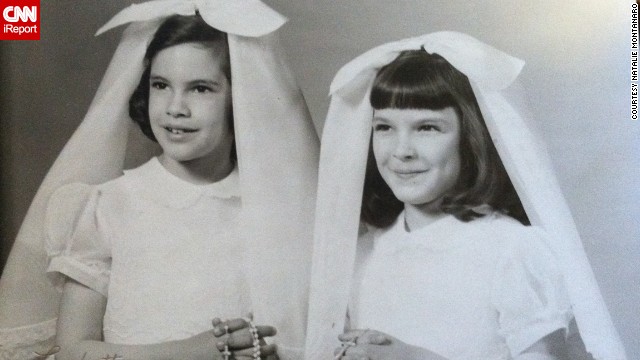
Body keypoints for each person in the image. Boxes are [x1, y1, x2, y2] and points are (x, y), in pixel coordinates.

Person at [0, 1, 318, 360]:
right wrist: (192, 353)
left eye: (200, 89)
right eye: (161, 85)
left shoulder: (278, 211)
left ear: (241, 99)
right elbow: (74, 350)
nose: (174, 107)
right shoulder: (108, 206)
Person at [304, 32, 627, 360]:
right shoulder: (363, 254)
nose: (401, 151)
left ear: (470, 139)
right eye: (384, 127)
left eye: (427, 128)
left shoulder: (513, 249)